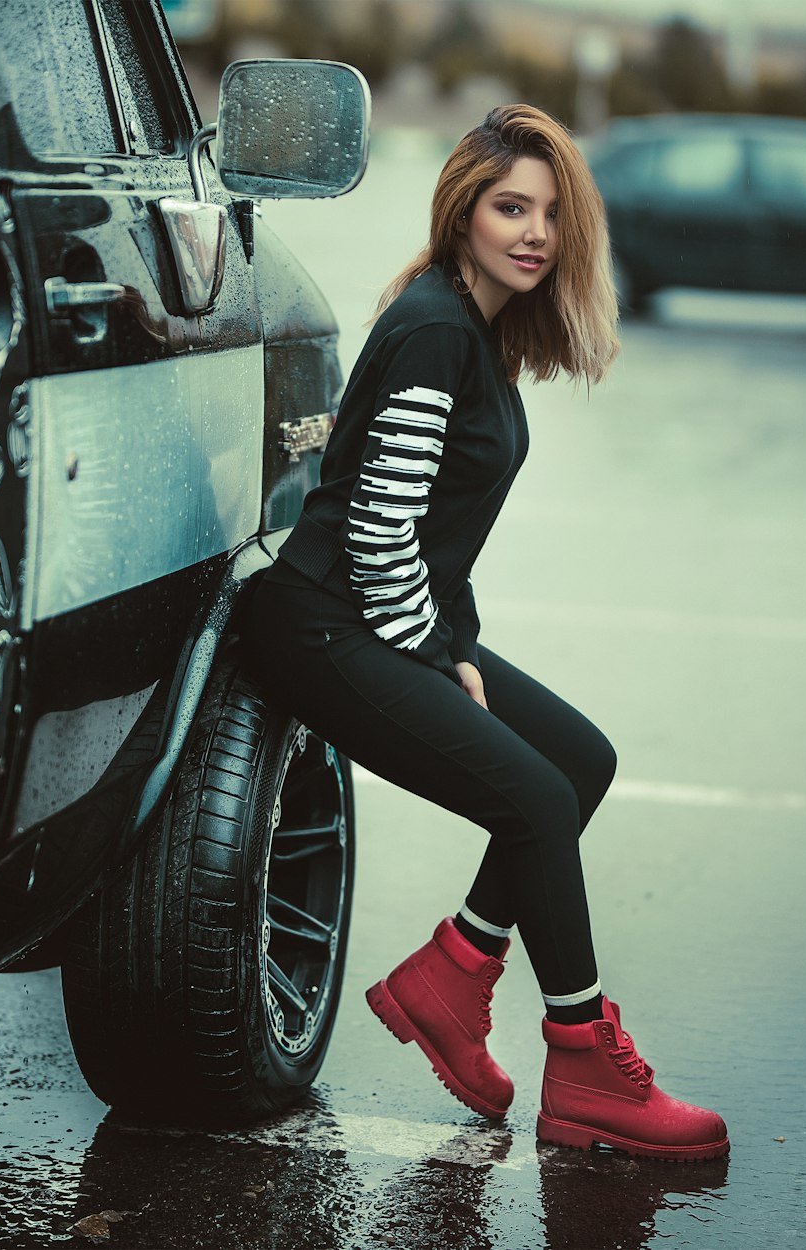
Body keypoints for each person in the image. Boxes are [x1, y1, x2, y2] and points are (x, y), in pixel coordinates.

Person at [242, 104, 728, 1162]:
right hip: (325, 624)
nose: (533, 233)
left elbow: (431, 537)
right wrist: (433, 652)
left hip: (371, 616)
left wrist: (450, 639)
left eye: (552, 214)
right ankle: (587, 1062)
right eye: (511, 206)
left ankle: (455, 970)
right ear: (463, 208)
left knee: (577, 759)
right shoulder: (431, 329)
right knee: (537, 794)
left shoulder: (476, 331)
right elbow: (377, 530)